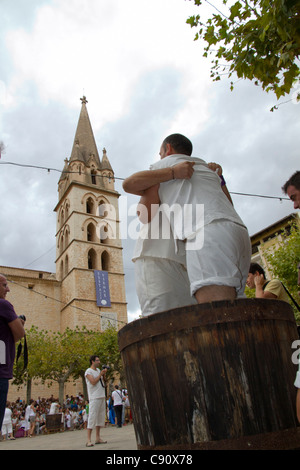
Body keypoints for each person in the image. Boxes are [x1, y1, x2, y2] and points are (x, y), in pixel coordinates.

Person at [123, 133, 251, 304]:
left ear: (168, 149)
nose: (159, 157)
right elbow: (229, 204)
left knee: (216, 313)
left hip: (207, 234)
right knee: (237, 308)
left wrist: (170, 173)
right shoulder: (206, 168)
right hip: (239, 233)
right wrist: (220, 177)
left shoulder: (167, 165)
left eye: (160, 153)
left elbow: (136, 199)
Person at [0, 274, 25, 430]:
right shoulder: (3, 305)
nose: (8, 289)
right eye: (4, 285)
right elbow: (19, 334)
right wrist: (19, 323)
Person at [84, 355, 108, 447]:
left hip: (101, 396)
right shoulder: (88, 371)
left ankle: (98, 437)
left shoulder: (98, 371)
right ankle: (88, 440)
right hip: (94, 397)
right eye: (97, 360)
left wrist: (103, 374)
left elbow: (103, 381)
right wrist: (100, 375)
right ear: (92, 361)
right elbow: (93, 382)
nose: (99, 362)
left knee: (100, 418)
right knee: (92, 417)